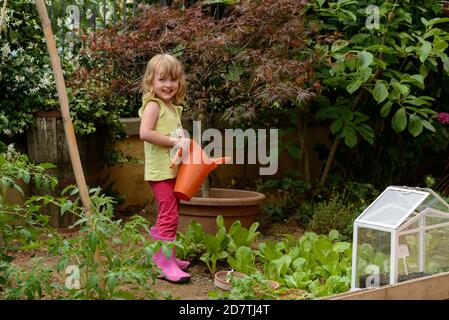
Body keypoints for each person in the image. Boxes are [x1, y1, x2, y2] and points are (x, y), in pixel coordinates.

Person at [139, 53, 191, 283]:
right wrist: (174, 142)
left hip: (171, 171)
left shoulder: (171, 107)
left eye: (172, 79)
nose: (168, 85)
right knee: (168, 215)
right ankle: (164, 264)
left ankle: (164, 255)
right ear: (151, 82)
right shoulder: (153, 106)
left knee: (170, 213)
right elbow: (145, 133)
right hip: (160, 173)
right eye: (162, 80)